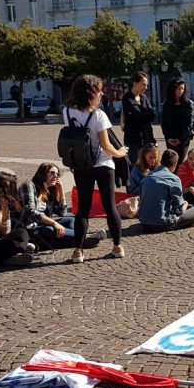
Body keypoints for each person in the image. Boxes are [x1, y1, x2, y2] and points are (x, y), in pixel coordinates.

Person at [64, 74, 129, 264]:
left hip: (81, 164)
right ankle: (117, 246)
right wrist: (120, 153)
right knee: (110, 206)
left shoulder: (67, 111)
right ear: (90, 92)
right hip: (102, 164)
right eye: (99, 90)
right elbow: (106, 146)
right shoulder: (99, 115)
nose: (102, 94)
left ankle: (78, 251)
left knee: (83, 209)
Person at [17, 163, 105, 251]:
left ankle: (75, 240)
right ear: (43, 174)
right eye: (52, 173)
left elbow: (62, 213)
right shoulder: (28, 186)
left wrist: (61, 190)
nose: (56, 176)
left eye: (57, 174)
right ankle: (84, 237)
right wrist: (54, 223)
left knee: (71, 219)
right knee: (49, 229)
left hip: (42, 224)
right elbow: (30, 211)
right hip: (28, 228)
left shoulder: (49, 191)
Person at [139, 148, 194, 231]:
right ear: (175, 164)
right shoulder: (174, 179)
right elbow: (179, 208)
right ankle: (190, 222)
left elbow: (141, 200)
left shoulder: (146, 177)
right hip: (164, 223)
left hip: (144, 222)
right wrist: (185, 204)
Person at [121, 71, 156, 169]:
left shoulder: (144, 98)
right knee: (135, 166)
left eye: (146, 85)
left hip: (147, 137)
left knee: (148, 166)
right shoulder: (127, 98)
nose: (146, 87)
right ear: (135, 84)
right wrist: (145, 113)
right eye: (143, 85)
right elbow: (139, 115)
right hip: (133, 139)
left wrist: (144, 113)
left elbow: (152, 115)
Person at [160, 78, 194, 167]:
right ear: (173, 89)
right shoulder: (167, 104)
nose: (181, 91)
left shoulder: (188, 103)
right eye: (178, 88)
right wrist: (168, 137)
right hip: (170, 138)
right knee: (171, 162)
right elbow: (164, 122)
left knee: (179, 162)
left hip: (183, 139)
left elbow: (190, 123)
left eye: (182, 88)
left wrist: (180, 139)